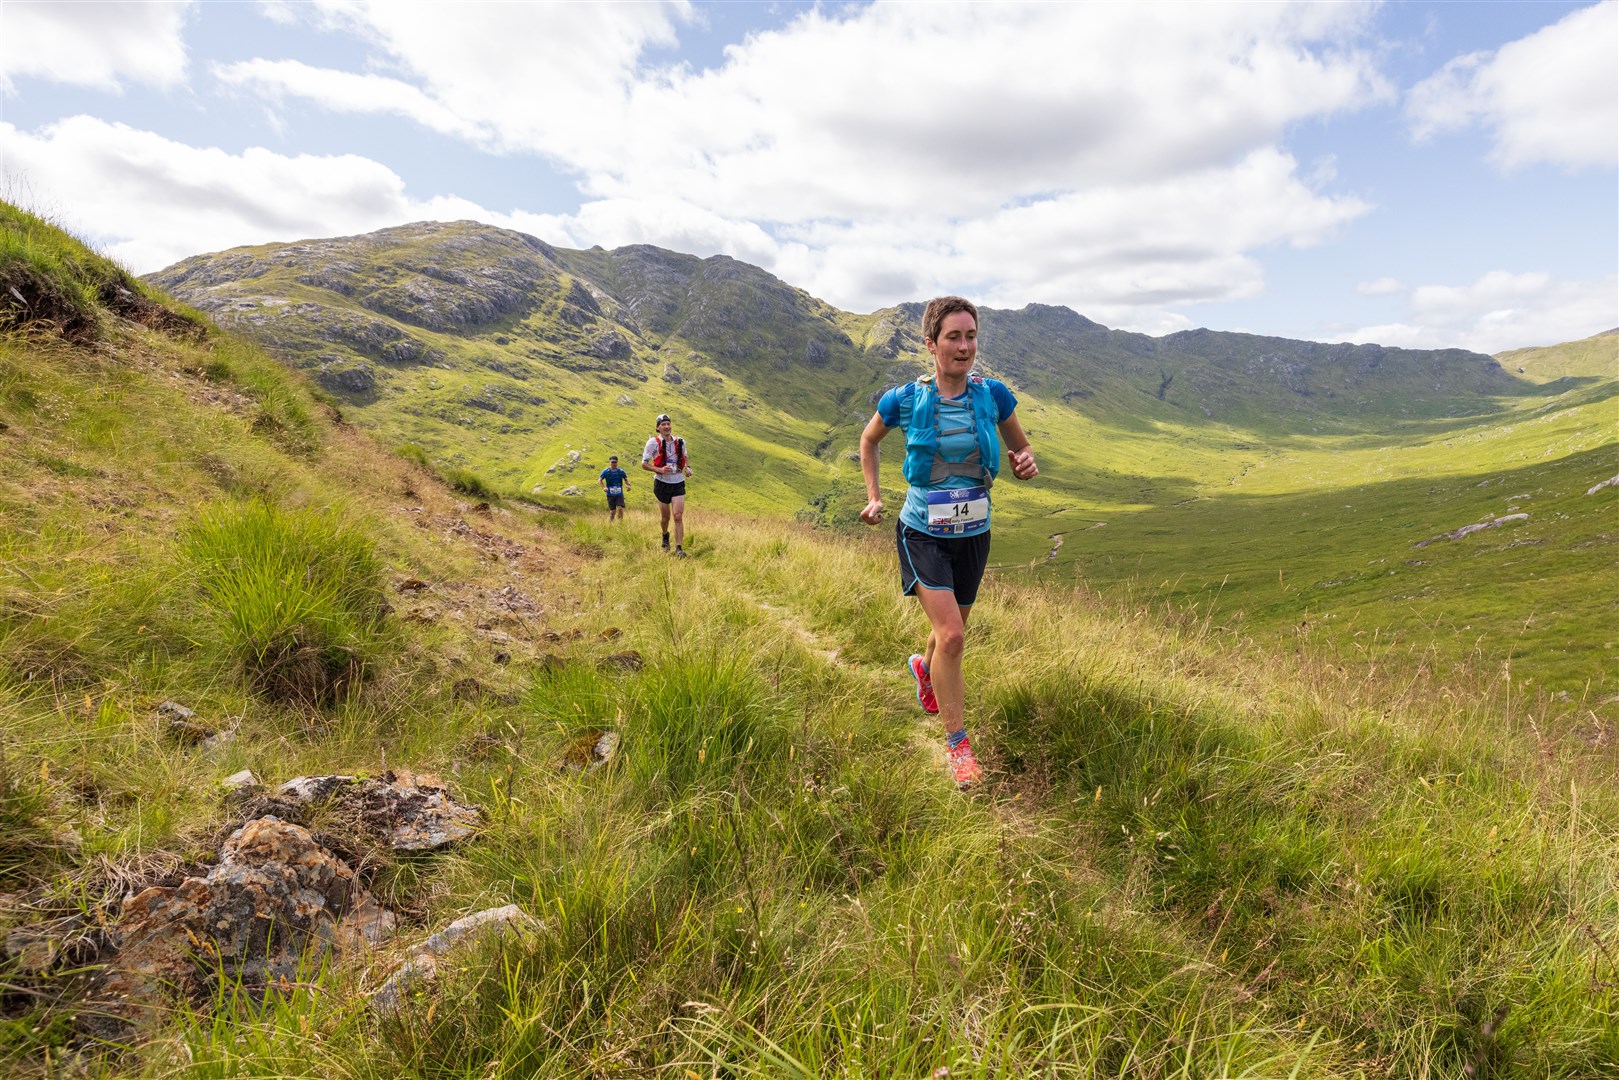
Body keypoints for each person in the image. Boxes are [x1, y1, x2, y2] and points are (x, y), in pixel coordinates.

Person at [858, 296, 1038, 787]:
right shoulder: (905, 399)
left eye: (971, 336)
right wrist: (874, 497)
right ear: (930, 343)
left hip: (974, 534)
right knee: (955, 636)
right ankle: (958, 747)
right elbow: (869, 440)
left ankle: (924, 670)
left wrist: (1025, 462)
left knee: (946, 635)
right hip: (922, 532)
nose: (964, 346)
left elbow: (1021, 449)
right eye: (953, 337)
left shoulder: (993, 395)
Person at [642, 412, 692, 556]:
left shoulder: (680, 442)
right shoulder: (652, 443)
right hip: (662, 483)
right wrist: (659, 469)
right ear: (658, 428)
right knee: (665, 518)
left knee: (678, 516)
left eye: (668, 423)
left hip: (678, 481)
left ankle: (679, 548)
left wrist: (687, 468)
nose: (666, 426)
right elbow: (644, 464)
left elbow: (685, 457)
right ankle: (665, 534)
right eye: (663, 424)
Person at [598, 455, 630, 521]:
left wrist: (628, 485)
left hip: (619, 493)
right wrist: (604, 488)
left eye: (615, 462)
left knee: (620, 508)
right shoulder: (606, 471)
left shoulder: (621, 471)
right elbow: (600, 480)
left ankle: (620, 524)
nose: (613, 464)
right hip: (610, 494)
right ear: (609, 462)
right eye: (612, 462)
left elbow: (626, 479)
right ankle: (611, 524)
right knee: (613, 511)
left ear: (617, 462)